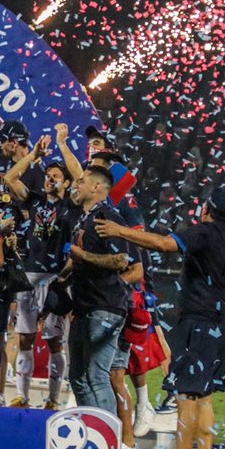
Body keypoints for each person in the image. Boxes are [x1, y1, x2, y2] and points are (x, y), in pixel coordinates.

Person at [95, 185, 225, 449]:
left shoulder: (204, 232)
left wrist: (119, 230)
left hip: (198, 322)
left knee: (185, 397)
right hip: (223, 325)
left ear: (207, 209)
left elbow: (163, 244)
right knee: (204, 397)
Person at [3, 128, 80, 409]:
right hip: (29, 275)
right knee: (25, 337)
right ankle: (22, 396)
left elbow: (80, 176)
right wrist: (33, 155)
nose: (49, 178)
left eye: (56, 176)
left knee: (55, 341)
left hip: (55, 277)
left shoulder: (71, 207)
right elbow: (10, 178)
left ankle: (53, 399)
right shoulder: (34, 200)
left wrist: (62, 144)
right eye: (48, 175)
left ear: (67, 183)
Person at [58, 166, 135, 414]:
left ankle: (107, 441)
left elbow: (121, 260)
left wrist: (83, 255)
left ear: (96, 187)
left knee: (96, 376)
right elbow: (77, 259)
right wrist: (61, 279)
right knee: (78, 378)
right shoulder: (84, 219)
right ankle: (93, 434)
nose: (76, 185)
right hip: (83, 307)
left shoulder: (108, 217)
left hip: (105, 307)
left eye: (81, 181)